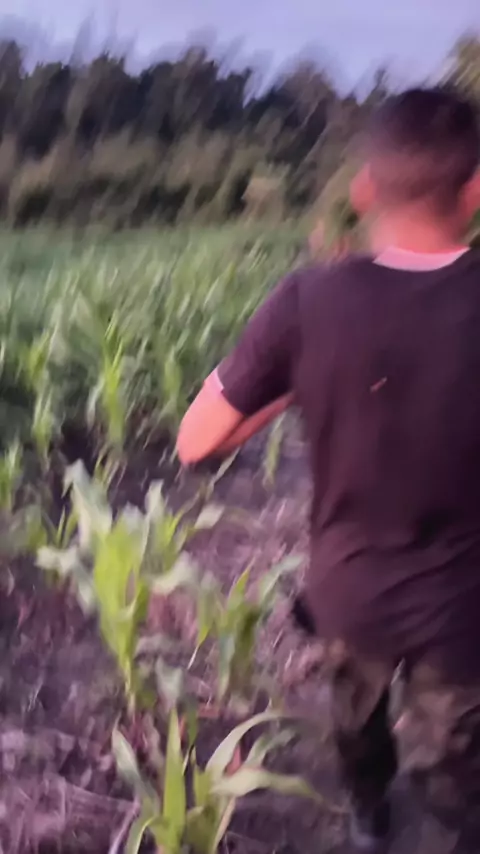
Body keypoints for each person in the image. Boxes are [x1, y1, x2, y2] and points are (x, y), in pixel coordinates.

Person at [176, 87, 480, 853]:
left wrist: (294, 382)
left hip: (351, 594)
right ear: (476, 191)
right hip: (464, 606)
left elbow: (196, 442)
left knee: (355, 726)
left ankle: (369, 818)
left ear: (365, 189)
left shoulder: (309, 302)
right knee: (458, 765)